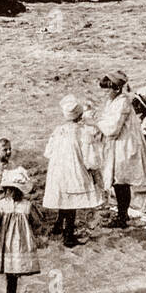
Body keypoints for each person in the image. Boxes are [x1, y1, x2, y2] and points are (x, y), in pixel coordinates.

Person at [90, 71, 146, 228]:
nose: (105, 93)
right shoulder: (113, 101)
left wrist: (96, 122)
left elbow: (113, 128)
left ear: (116, 88)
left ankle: (122, 216)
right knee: (117, 181)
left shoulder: (123, 102)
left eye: (107, 89)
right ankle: (122, 214)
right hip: (116, 144)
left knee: (121, 181)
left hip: (123, 146)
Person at [44, 96, 103, 248]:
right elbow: (89, 157)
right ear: (80, 115)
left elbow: (48, 152)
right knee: (71, 202)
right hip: (72, 169)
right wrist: (93, 169)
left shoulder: (58, 130)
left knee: (63, 197)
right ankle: (68, 235)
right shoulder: (82, 131)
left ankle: (58, 224)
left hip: (58, 169)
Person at [0, 168, 43, 293]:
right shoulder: (26, 206)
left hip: (7, 245)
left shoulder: (1, 205)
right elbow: (37, 223)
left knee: (10, 274)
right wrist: (38, 236)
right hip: (18, 246)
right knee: (13, 273)